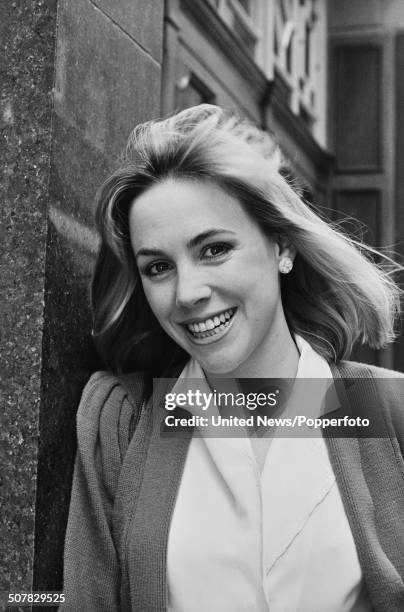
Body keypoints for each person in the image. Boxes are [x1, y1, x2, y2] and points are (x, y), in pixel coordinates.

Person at [61, 104, 404, 612]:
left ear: (282, 246)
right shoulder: (120, 422)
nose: (188, 293)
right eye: (158, 266)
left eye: (214, 249)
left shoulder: (387, 410)